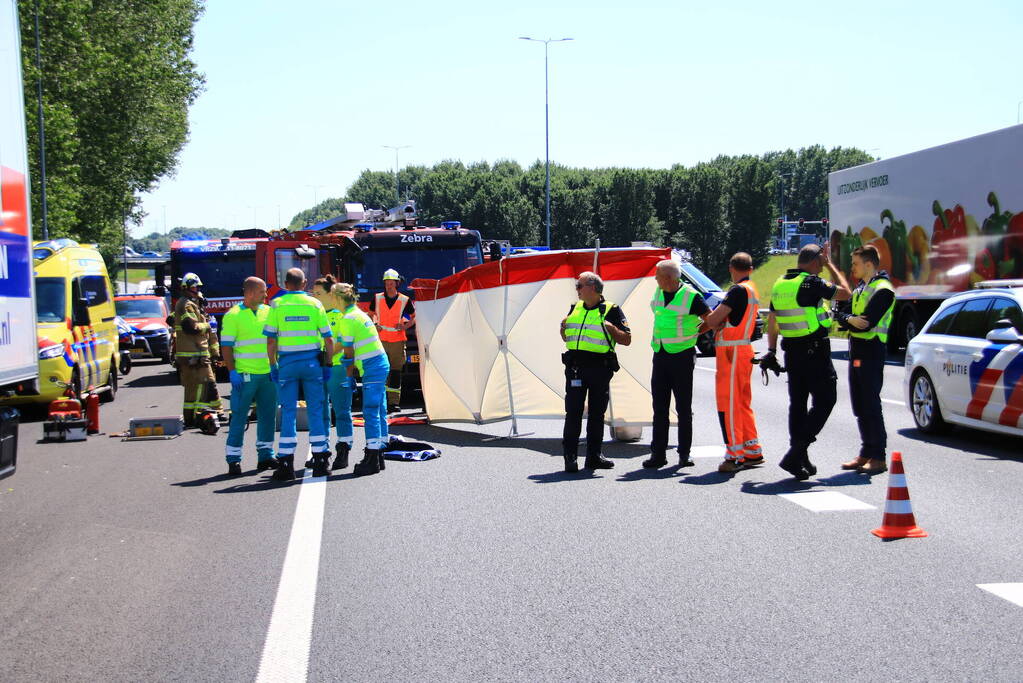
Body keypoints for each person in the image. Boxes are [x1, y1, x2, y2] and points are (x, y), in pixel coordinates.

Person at [765, 243, 852, 480]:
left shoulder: (781, 283)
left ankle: (799, 457)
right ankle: (796, 453)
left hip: (791, 352)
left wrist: (771, 350)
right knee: (826, 400)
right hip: (815, 352)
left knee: (798, 405)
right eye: (821, 263)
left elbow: (772, 321)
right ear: (816, 261)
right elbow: (846, 292)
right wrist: (832, 264)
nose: (823, 267)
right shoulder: (811, 283)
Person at [264, 268, 333, 480]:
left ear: (286, 283)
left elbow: (271, 340)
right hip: (312, 363)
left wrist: (273, 365)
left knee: (288, 412)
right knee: (315, 409)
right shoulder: (315, 304)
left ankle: (285, 463)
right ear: (304, 284)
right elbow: (328, 339)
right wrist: (328, 364)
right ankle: (321, 459)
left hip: (287, 365)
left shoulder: (276, 304)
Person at [559, 271, 631, 472]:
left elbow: (627, 339)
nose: (577, 290)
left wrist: (612, 329)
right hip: (575, 367)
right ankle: (570, 457)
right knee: (573, 411)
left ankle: (594, 456)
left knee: (597, 413)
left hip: (600, 367)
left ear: (593, 288)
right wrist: (562, 328)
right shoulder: (575, 308)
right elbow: (566, 336)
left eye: (579, 286)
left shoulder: (612, 310)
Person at [645, 259, 710, 469]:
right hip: (661, 354)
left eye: (658, 275)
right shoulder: (658, 292)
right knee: (659, 408)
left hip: (682, 356)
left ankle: (684, 453)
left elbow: (710, 318)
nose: (655, 278)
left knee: (683, 408)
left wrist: (697, 332)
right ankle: (658, 454)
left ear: (670, 278)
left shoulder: (691, 296)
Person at [835, 245, 895, 475]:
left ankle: (878, 456)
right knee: (859, 404)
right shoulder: (862, 287)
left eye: (855, 263)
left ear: (869, 264)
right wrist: (850, 318)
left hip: (871, 349)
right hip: (857, 349)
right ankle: (866, 451)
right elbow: (842, 315)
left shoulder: (883, 289)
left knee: (870, 403)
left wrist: (848, 318)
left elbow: (867, 322)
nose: (852, 268)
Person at [702, 252, 763, 473]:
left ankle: (734, 455)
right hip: (744, 349)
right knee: (742, 402)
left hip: (731, 351)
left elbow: (713, 320)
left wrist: (711, 321)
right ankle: (751, 450)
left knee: (728, 405)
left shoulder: (736, 290)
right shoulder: (751, 289)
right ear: (751, 268)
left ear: (731, 268)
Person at [221, 277, 277, 476]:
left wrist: (274, 366)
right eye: (263, 291)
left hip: (267, 374)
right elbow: (226, 346)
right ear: (251, 292)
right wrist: (232, 371)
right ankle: (234, 459)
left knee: (268, 416)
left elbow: (274, 341)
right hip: (245, 376)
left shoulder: (269, 312)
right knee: (238, 417)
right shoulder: (233, 315)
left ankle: (266, 455)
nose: (266, 295)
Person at [335, 281, 391, 476]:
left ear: (338, 299)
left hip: (372, 366)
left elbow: (348, 353)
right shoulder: (358, 314)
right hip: (378, 363)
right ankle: (380, 454)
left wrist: (349, 375)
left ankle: (372, 457)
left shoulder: (348, 319)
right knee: (379, 409)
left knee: (370, 411)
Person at [310, 274, 352, 471]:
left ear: (330, 294)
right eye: (313, 293)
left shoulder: (341, 315)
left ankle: (343, 450)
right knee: (321, 412)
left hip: (336, 369)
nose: (314, 296)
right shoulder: (314, 314)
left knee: (342, 412)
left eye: (318, 293)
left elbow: (344, 342)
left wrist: (325, 355)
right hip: (318, 370)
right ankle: (321, 451)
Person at [173, 273, 218, 428]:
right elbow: (190, 327)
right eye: (195, 287)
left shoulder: (190, 304)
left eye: (198, 287)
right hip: (192, 354)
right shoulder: (186, 304)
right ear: (186, 288)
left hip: (196, 353)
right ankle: (196, 417)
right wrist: (207, 326)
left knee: (197, 387)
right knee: (202, 385)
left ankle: (195, 417)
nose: (197, 290)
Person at [370, 269, 414, 412]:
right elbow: (370, 314)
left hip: (397, 340)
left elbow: (414, 316)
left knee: (395, 372)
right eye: (387, 283)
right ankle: (380, 401)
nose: (389, 286)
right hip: (381, 340)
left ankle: (393, 403)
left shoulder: (404, 300)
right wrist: (375, 325)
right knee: (381, 371)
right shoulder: (377, 298)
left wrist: (405, 325)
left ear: (397, 284)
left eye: (391, 283)